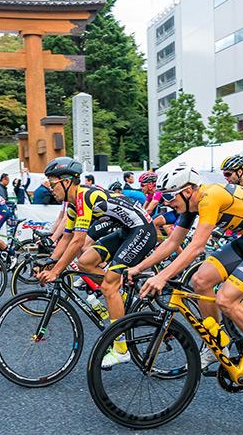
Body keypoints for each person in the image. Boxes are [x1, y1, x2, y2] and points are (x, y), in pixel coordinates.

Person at [136, 163, 243, 395]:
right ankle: (216, 342)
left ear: (188, 191)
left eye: (170, 196)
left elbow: (197, 246)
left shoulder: (210, 197)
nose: (167, 202)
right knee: (200, 281)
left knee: (226, 300)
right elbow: (172, 243)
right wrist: (137, 268)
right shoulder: (190, 204)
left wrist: (162, 276)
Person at [35, 157, 157, 368]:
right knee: (85, 262)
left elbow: (78, 241)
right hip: (127, 230)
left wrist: (56, 271)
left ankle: (121, 350)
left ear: (66, 181)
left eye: (52, 182)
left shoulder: (85, 196)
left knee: (108, 284)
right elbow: (66, 238)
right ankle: (117, 291)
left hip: (142, 230)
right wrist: (51, 262)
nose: (50, 188)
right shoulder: (73, 205)